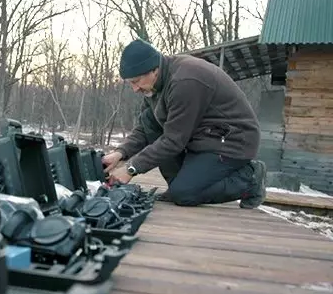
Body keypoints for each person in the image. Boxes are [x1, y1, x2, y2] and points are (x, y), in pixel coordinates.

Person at [102, 39, 267, 209]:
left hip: (232, 141)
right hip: (201, 138)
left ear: (154, 70)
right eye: (131, 83)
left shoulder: (185, 81)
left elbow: (174, 141)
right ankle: (177, 186)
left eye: (136, 81)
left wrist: (131, 169)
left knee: (185, 194)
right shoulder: (154, 86)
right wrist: (120, 153)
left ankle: (250, 179)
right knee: (149, 120)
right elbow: (146, 128)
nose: (135, 89)